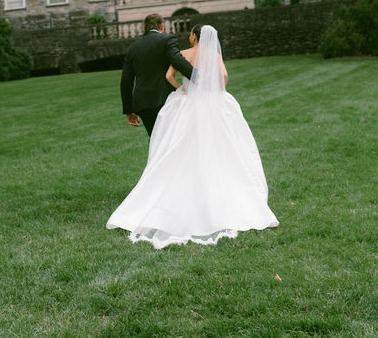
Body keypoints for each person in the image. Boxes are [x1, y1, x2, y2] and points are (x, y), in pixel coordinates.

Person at [107, 24, 279, 248]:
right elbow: (224, 76)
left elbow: (169, 75)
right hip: (213, 102)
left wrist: (183, 89)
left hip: (187, 103)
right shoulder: (214, 54)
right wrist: (216, 92)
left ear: (193, 36)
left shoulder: (184, 54)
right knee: (222, 145)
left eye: (189, 34)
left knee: (179, 145)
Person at [120, 13, 194, 137]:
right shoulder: (166, 39)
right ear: (162, 27)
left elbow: (126, 82)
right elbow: (178, 61)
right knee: (170, 138)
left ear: (145, 28)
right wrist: (199, 77)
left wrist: (129, 110)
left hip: (143, 103)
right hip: (164, 98)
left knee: (155, 139)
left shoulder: (132, 48)